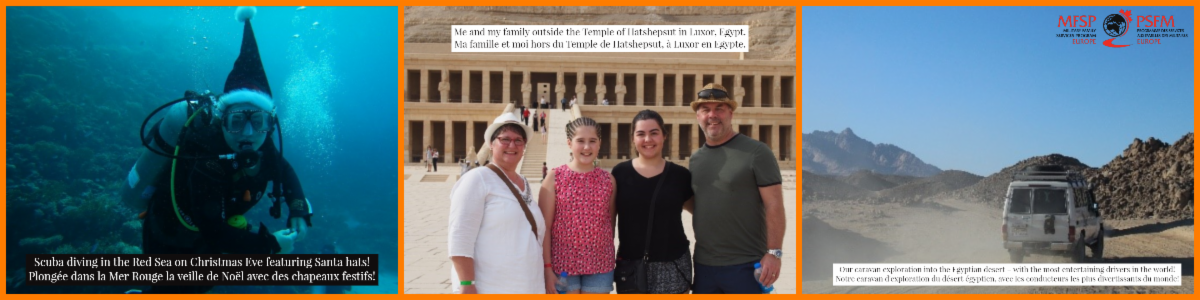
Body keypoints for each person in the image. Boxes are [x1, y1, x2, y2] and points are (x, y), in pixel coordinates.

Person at [123, 7, 311, 293]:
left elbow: (283, 169)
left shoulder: (264, 143)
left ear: (269, 126)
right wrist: (270, 245)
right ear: (222, 122)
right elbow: (213, 230)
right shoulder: (205, 154)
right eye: (237, 121)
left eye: (257, 121)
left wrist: (297, 207)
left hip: (212, 245)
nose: (247, 135)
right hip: (172, 240)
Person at [688, 83, 785, 294]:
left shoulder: (757, 152)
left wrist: (774, 253)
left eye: (719, 109)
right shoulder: (695, 160)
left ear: (730, 113)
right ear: (698, 116)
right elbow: (699, 203)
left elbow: (774, 205)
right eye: (705, 110)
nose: (712, 115)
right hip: (704, 266)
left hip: (747, 264)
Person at [448, 113, 544, 294]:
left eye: (518, 140)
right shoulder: (477, 179)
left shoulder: (524, 182)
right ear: (491, 144)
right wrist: (467, 284)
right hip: (491, 287)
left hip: (528, 286)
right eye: (505, 139)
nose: (512, 145)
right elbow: (459, 237)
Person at [612, 110, 694, 294]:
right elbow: (608, 221)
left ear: (664, 136)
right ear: (633, 138)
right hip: (631, 267)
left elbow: (699, 212)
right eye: (641, 134)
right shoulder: (619, 174)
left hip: (673, 264)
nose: (648, 139)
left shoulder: (679, 175)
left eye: (654, 132)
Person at [539, 117, 616, 294]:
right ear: (569, 143)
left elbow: (610, 224)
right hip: (563, 265)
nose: (587, 147)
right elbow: (545, 227)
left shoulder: (609, 180)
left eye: (592, 141)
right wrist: (547, 268)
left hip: (600, 265)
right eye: (580, 141)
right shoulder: (554, 177)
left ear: (599, 144)